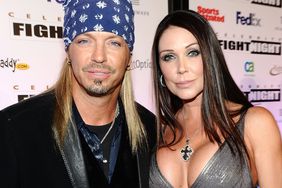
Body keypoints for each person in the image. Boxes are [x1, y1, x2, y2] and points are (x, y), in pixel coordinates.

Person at [0, 0, 156, 187]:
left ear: (129, 56)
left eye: (114, 43)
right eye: (84, 41)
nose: (99, 56)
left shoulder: (151, 130)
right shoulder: (15, 129)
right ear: (68, 51)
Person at [149, 10, 282, 188]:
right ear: (160, 69)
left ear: (210, 56)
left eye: (192, 53)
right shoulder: (160, 130)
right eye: (169, 57)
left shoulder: (255, 123)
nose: (181, 68)